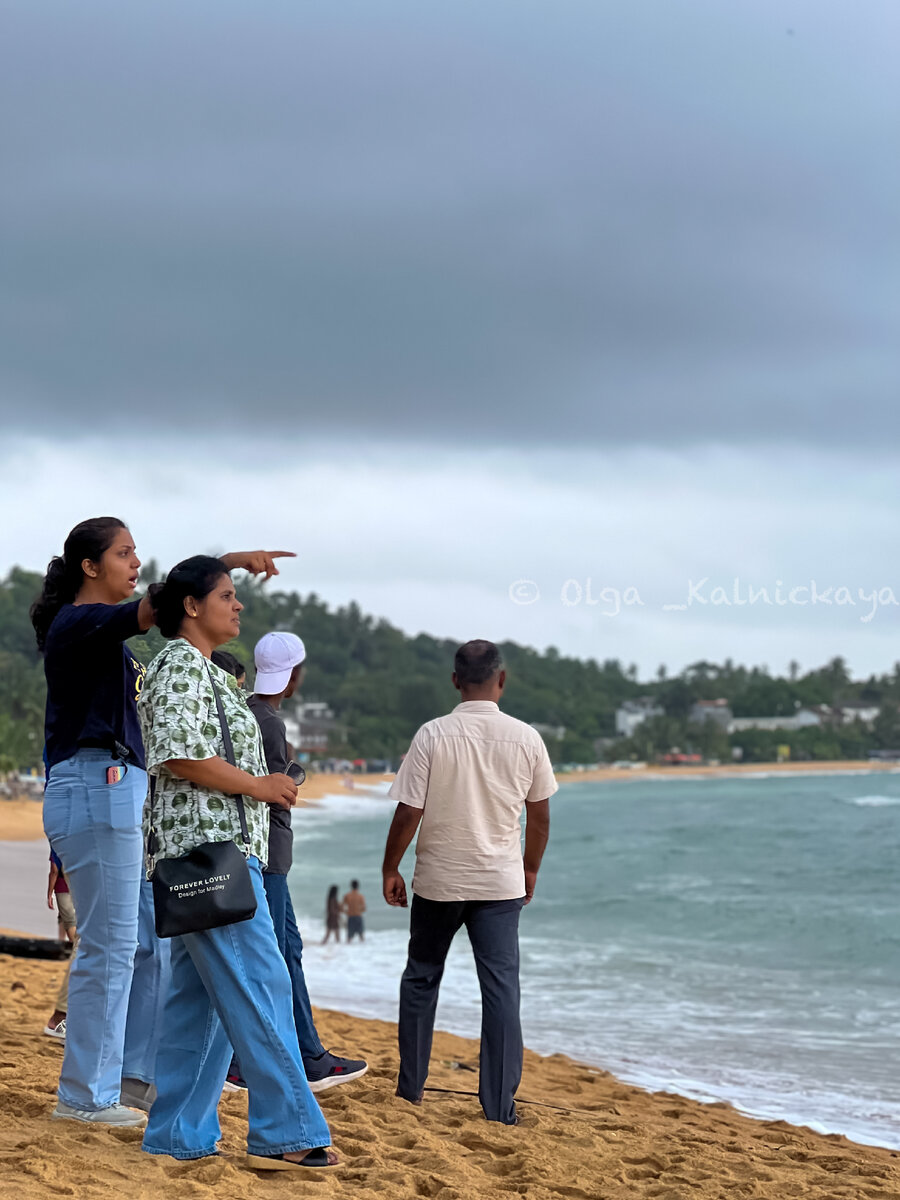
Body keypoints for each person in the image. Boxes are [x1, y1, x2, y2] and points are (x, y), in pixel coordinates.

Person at [32, 516, 292, 1126]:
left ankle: (128, 1080)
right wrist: (225, 563)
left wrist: (219, 571)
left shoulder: (100, 635)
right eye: (124, 553)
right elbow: (163, 604)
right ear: (90, 566)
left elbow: (167, 602)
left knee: (143, 942)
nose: (135, 562)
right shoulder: (79, 621)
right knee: (112, 946)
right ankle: (85, 1096)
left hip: (111, 789)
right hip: (97, 783)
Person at [139, 556, 336, 1168]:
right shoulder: (179, 666)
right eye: (226, 594)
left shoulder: (204, 671)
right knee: (262, 984)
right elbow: (179, 755)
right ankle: (287, 1132)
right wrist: (260, 785)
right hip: (207, 852)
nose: (238, 604)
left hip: (212, 850)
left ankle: (178, 1134)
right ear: (191, 606)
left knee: (198, 1005)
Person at [382, 639, 555, 1125]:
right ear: (502, 680)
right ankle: (499, 1106)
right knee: (501, 989)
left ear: (456, 680)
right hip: (499, 883)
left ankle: (410, 1090)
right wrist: (530, 867)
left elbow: (409, 811)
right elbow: (540, 817)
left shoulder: (433, 734)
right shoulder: (526, 738)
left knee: (422, 978)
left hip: (439, 880)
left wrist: (390, 867)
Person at [226, 631, 367, 1092]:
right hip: (267, 853)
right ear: (294, 676)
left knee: (282, 951)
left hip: (257, 852)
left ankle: (298, 1053)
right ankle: (296, 1057)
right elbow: (273, 791)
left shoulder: (248, 711)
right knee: (278, 953)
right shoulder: (269, 723)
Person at [44, 847, 76, 1040]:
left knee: (78, 940)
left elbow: (54, 870)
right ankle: (60, 1016)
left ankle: (61, 1015)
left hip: (64, 890)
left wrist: (49, 892)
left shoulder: (59, 842)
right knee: (80, 945)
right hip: (75, 890)